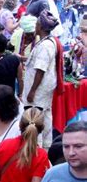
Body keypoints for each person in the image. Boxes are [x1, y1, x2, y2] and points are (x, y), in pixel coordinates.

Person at [23, 10, 60, 149]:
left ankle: (36, 149)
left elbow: (40, 69)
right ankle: (45, 147)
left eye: (37, 24)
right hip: (43, 91)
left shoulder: (46, 45)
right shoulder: (45, 42)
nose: (36, 26)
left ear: (42, 27)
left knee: (35, 120)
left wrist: (32, 91)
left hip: (38, 92)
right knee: (45, 118)